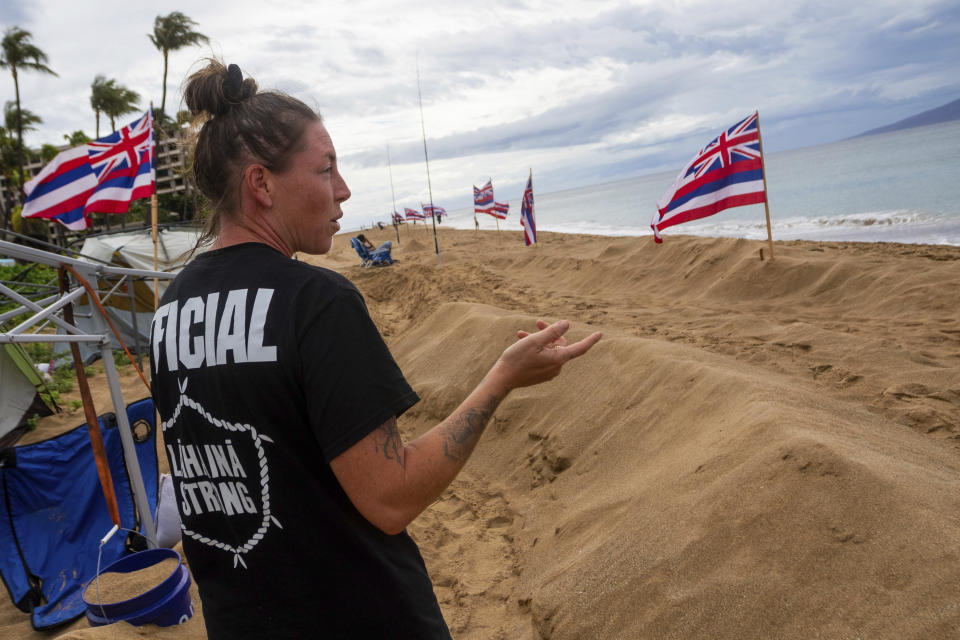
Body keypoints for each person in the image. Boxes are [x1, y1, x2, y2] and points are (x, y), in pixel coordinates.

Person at [149, 60, 601, 639]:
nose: (344, 190)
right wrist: (501, 380)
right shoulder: (315, 301)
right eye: (327, 169)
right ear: (261, 184)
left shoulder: (171, 310)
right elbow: (391, 496)